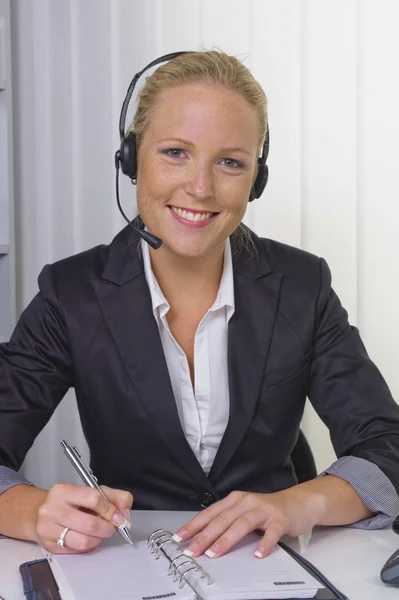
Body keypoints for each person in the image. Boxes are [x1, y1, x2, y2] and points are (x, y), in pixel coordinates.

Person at [0, 50, 399, 560]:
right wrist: (35, 512)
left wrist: (298, 503)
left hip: (274, 567)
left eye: (230, 162)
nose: (201, 187)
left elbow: (386, 447)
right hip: (130, 564)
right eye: (175, 153)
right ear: (130, 158)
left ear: (256, 178)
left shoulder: (303, 285)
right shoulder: (71, 293)